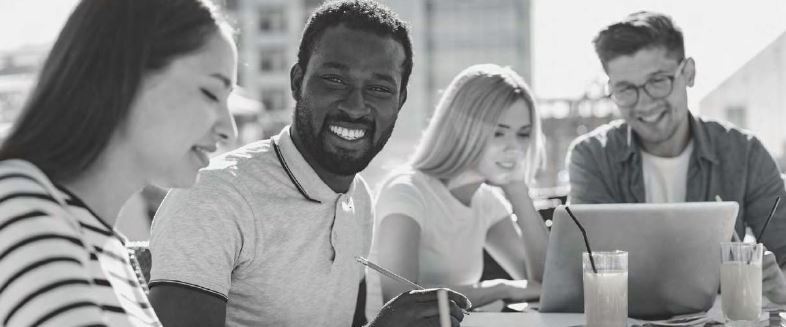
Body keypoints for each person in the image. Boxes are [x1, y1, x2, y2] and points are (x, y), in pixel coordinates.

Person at [147, 1, 470, 326]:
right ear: (297, 81)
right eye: (335, 80)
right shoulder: (214, 195)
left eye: (378, 89)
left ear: (400, 101)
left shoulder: (358, 198)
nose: (355, 107)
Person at [0, 0, 237, 326]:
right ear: (126, 75)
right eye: (211, 93)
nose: (228, 129)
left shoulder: (110, 251)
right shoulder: (21, 204)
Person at [567, 11, 786, 304]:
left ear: (688, 73)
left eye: (658, 81)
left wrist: (780, 284)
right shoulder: (592, 156)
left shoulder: (745, 153)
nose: (644, 103)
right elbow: (584, 266)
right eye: (625, 89)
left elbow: (783, 254)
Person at [365, 64, 549, 315]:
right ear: (464, 129)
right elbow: (401, 301)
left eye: (523, 134)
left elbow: (544, 284)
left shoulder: (486, 202)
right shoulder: (406, 191)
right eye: (498, 133)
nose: (514, 147)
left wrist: (518, 191)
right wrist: (499, 289)